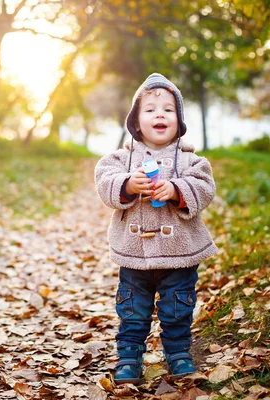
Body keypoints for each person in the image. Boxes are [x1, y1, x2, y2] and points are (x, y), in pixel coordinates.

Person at [94, 73, 218, 384]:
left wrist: (177, 190)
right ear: (135, 120)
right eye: (149, 109)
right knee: (132, 311)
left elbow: (205, 188)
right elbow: (104, 180)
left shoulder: (191, 159)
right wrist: (126, 184)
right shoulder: (122, 159)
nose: (159, 114)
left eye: (168, 109)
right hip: (134, 255)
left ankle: (178, 354)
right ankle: (128, 357)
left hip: (179, 253)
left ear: (179, 120)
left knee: (177, 309)